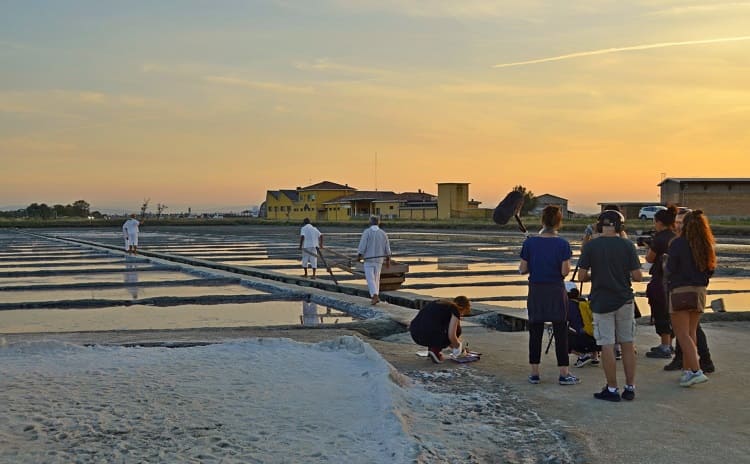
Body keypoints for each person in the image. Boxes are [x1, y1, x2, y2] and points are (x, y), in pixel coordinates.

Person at [578, 210, 643, 401]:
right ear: (620, 226)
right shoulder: (628, 245)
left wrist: (595, 275)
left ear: (599, 226)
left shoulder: (591, 246)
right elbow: (638, 276)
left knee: (606, 344)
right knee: (627, 343)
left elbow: (581, 277)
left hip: (601, 301)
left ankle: (612, 389)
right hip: (624, 300)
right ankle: (630, 387)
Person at [519, 206, 579, 386]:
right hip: (555, 290)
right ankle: (564, 373)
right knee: (561, 331)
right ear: (559, 222)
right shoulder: (563, 244)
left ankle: (535, 373)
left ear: (542, 221)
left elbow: (523, 269)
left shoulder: (530, 243)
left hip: (536, 290)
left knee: (535, 331)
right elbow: (564, 271)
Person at [665, 209, 716, 387]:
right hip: (700, 291)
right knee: (692, 332)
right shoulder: (705, 245)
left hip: (680, 291)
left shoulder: (678, 243)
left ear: (686, 225)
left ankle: (695, 370)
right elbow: (710, 269)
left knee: (682, 334)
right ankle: (688, 371)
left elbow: (670, 268)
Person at [644, 206, 678, 359]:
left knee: (660, 311)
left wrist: (648, 246)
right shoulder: (677, 236)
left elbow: (650, 258)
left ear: (659, 222)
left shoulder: (659, 238)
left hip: (660, 278)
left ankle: (665, 346)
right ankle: (669, 344)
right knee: (671, 312)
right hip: (676, 280)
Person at [409, 296, 471, 363]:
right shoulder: (455, 309)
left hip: (415, 333)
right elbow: (452, 336)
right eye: (463, 314)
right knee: (457, 331)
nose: (461, 316)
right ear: (464, 308)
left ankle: (431, 349)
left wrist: (455, 345)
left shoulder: (439, 302)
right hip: (427, 334)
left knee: (435, 327)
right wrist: (458, 347)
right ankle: (435, 351)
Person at [357, 215, 391, 305]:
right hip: (379, 260)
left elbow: (362, 245)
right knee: (376, 279)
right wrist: (388, 260)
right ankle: (375, 296)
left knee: (370, 279)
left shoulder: (367, 232)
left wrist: (359, 255)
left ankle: (375, 296)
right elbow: (387, 248)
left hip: (369, 259)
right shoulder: (383, 233)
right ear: (378, 223)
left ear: (370, 222)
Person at [566, 282, 600, 368]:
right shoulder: (584, 302)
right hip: (597, 339)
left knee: (561, 335)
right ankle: (594, 356)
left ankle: (582, 355)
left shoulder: (568, 305)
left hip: (583, 339)